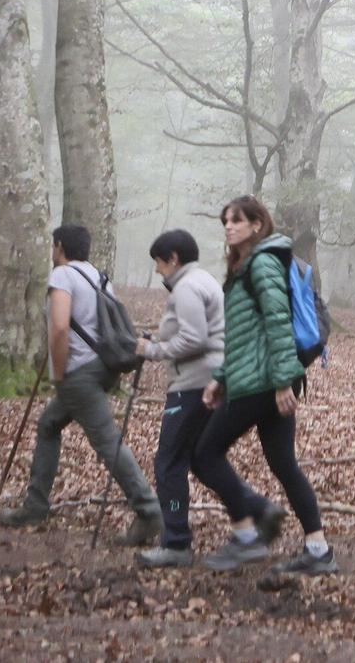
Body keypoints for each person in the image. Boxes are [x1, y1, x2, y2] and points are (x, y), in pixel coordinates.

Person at [188, 196, 335, 576]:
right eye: (225, 221)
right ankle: (318, 550)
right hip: (259, 378)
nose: (228, 227)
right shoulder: (244, 268)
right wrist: (220, 380)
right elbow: (243, 336)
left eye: (237, 220)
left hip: (263, 383)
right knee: (284, 463)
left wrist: (283, 381)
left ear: (257, 225)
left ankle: (247, 534)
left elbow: (277, 322)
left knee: (204, 454)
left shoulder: (263, 264)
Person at [0, 225, 162, 545]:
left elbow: (59, 328)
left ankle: (149, 509)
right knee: (49, 424)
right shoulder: (98, 277)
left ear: (59, 246)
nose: (52, 251)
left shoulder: (62, 276)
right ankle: (35, 505)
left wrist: (59, 374)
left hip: (78, 372)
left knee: (106, 441)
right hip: (103, 367)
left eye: (53, 245)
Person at [135, 228, 225, 570]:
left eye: (159, 262)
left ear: (173, 258)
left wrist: (154, 349)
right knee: (201, 459)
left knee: (168, 463)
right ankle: (253, 514)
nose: (158, 270)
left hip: (190, 384)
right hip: (206, 380)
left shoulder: (186, 287)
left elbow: (195, 337)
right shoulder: (204, 281)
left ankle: (175, 542)